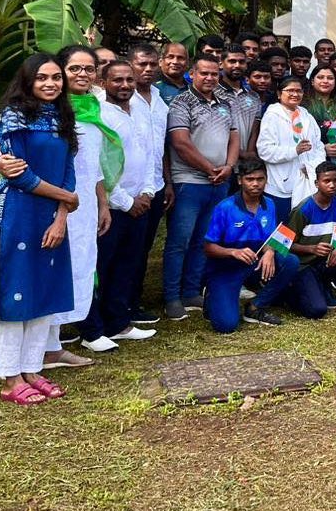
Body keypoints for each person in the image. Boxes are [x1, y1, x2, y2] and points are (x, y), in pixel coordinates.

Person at [0, 55, 82, 404]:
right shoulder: (14, 116)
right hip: (20, 212)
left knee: (45, 290)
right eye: (42, 78)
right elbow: (19, 176)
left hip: (52, 215)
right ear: (27, 81)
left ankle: (32, 369)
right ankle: (11, 379)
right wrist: (67, 197)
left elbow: (68, 170)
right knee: (17, 291)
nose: (51, 84)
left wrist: (61, 216)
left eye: (56, 77)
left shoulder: (63, 117)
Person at [79, 60, 158, 352]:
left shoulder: (139, 109)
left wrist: (148, 191)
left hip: (141, 201)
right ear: (103, 82)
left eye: (129, 80)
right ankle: (91, 329)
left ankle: (118, 323)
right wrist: (125, 202)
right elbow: (99, 163)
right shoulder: (97, 112)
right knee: (101, 267)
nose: (124, 85)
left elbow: (149, 152)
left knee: (128, 265)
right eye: (117, 80)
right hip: (111, 207)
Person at [55, 46, 119, 359]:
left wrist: (103, 204)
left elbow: (94, 165)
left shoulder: (93, 105)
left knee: (82, 263)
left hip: (87, 203)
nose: (83, 75)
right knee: (57, 265)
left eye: (89, 69)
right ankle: (51, 340)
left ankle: (75, 331)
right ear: (61, 72)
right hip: (57, 202)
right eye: (75, 69)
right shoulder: (52, 110)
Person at [165, 54, 239, 321]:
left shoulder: (225, 103)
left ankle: (191, 291)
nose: (209, 78)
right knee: (179, 242)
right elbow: (181, 143)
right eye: (204, 73)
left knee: (203, 240)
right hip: (190, 181)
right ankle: (172, 297)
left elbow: (234, 137)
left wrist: (229, 166)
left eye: (214, 74)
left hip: (220, 181)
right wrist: (210, 169)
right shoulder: (181, 103)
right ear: (192, 74)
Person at [201, 159, 300, 331]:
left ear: (266, 180)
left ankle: (255, 307)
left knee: (290, 261)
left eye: (260, 179)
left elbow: (270, 238)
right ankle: (212, 293)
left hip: (254, 263)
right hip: (226, 268)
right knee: (226, 326)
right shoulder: (225, 207)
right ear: (240, 180)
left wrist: (269, 252)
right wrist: (233, 252)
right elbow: (208, 248)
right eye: (250, 179)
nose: (255, 184)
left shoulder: (269, 204)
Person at [126, 43, 170, 326]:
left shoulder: (159, 97)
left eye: (153, 64)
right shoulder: (118, 100)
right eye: (142, 64)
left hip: (154, 184)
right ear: (131, 64)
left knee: (142, 248)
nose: (148, 69)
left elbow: (160, 146)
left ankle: (133, 301)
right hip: (128, 190)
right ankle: (116, 305)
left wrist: (166, 182)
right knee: (123, 250)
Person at [283, 163, 336, 318]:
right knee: (317, 310)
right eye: (326, 181)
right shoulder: (302, 210)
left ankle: (323, 285)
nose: (332, 185)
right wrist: (311, 249)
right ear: (316, 183)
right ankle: (287, 293)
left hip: (324, 262)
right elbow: (285, 246)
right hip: (304, 264)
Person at [257, 75, 327, 221]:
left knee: (301, 229)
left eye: (299, 91)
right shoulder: (272, 116)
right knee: (281, 232)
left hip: (306, 183)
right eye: (290, 90)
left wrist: (313, 168)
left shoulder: (306, 115)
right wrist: (294, 151)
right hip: (280, 186)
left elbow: (318, 145)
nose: (295, 94)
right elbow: (264, 150)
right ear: (278, 94)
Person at [305, 63, 336, 189]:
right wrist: (322, 148)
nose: (325, 81)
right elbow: (297, 137)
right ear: (312, 81)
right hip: (313, 166)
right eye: (320, 77)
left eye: (330, 78)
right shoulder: (303, 105)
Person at [220, 45, 261, 161]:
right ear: (221, 64)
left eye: (241, 62)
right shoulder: (212, 93)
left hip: (244, 166)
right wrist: (240, 153)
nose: (237, 65)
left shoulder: (253, 96)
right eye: (232, 61)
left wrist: (249, 154)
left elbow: (254, 130)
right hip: (220, 163)